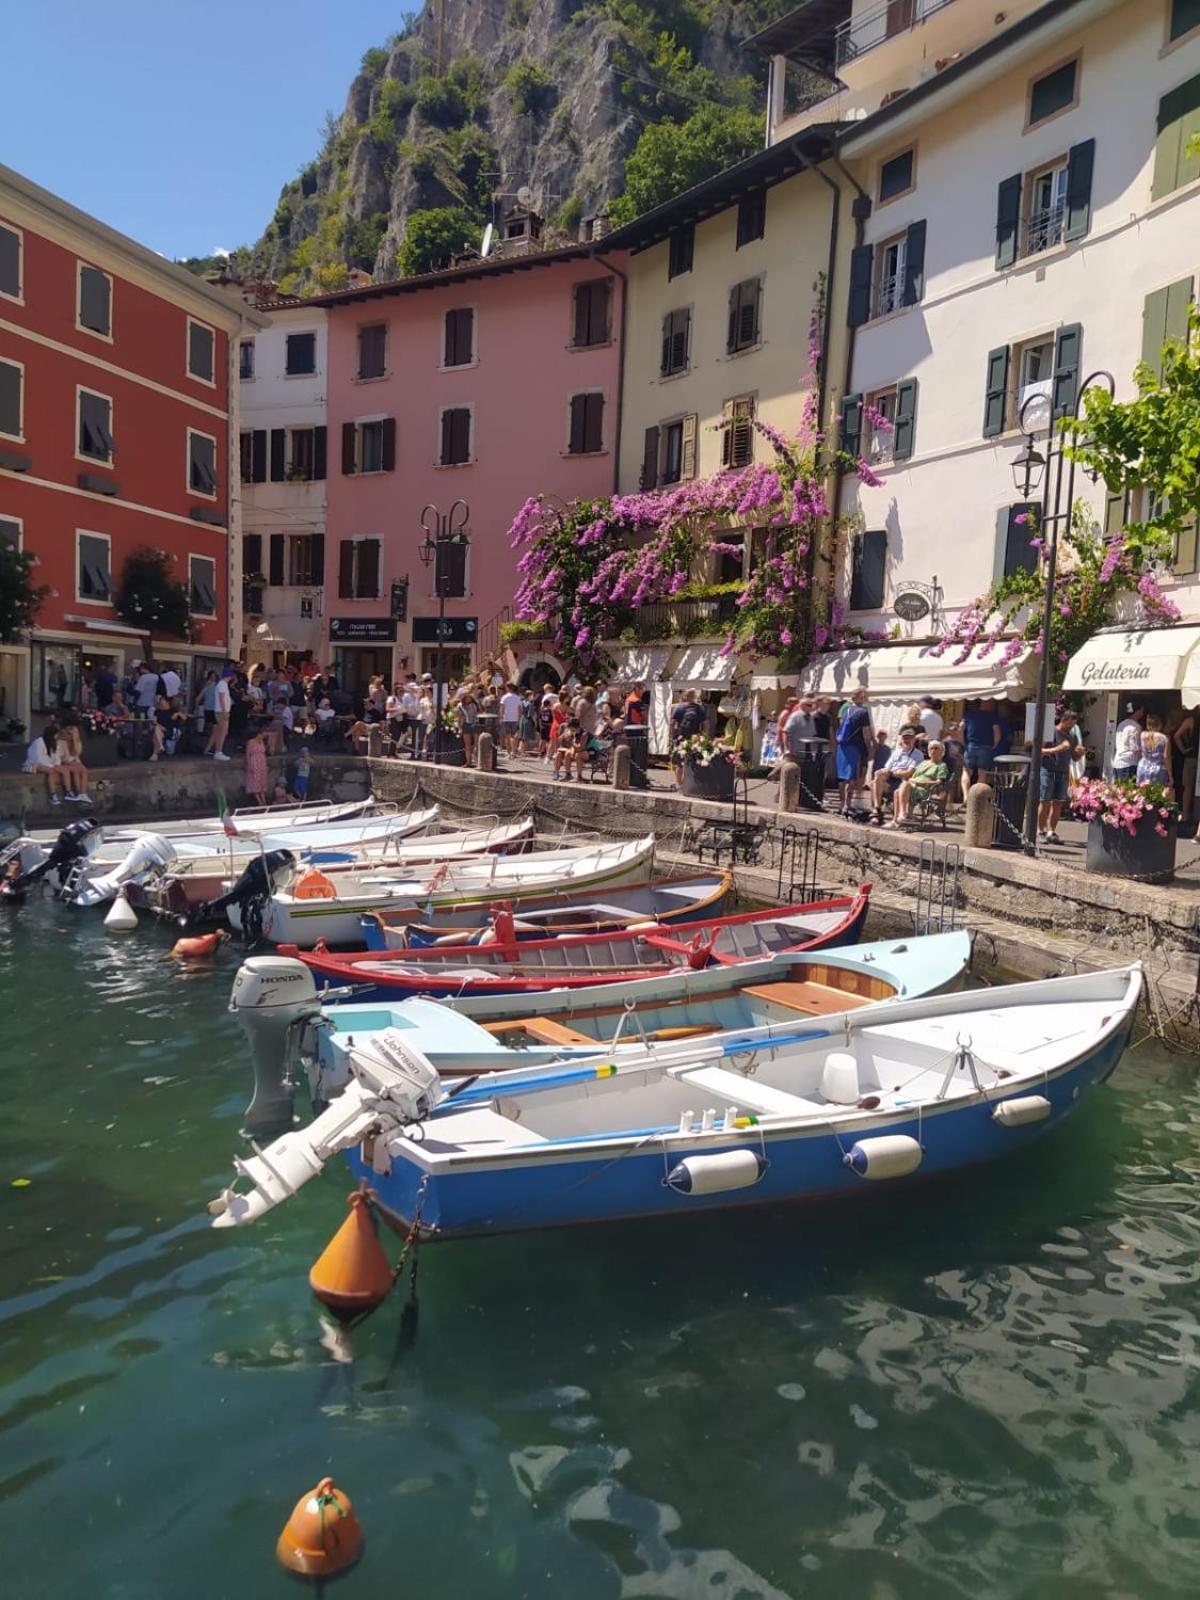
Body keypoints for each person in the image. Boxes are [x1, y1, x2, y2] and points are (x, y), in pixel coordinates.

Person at [1038, 712, 1078, 843]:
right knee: (1045, 801)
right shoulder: (1051, 732)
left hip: (1063, 772)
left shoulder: (1071, 737)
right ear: (1065, 720)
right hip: (1048, 770)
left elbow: (1074, 757)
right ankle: (1041, 831)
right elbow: (1039, 751)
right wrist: (1058, 748)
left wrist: (1080, 753)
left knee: (1058, 803)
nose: (1072, 727)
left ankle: (1052, 831)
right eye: (1071, 724)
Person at [892, 739, 950, 828]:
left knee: (905, 785)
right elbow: (913, 776)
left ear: (942, 751)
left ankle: (903, 813)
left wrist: (921, 782)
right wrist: (912, 781)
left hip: (926, 789)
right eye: (931, 748)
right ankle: (896, 820)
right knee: (897, 791)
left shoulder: (942, 765)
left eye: (936, 748)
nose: (933, 750)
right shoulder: (923, 763)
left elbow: (939, 782)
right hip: (913, 785)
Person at [835, 688, 874, 815]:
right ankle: (848, 804)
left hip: (842, 746)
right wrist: (870, 748)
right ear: (860, 697)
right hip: (855, 747)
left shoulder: (846, 710)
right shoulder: (863, 712)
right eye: (865, 696)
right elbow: (866, 733)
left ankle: (841, 805)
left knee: (842, 777)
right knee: (852, 777)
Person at [870, 727, 922, 824]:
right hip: (891, 779)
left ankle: (877, 813)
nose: (907, 740)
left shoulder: (917, 754)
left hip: (904, 781)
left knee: (876, 782)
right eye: (905, 738)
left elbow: (909, 772)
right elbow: (887, 767)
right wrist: (882, 772)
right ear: (901, 739)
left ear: (914, 740)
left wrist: (891, 773)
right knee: (875, 779)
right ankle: (877, 809)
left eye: (909, 738)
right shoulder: (897, 752)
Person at [961, 697, 1002, 800]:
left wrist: (963, 742)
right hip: (986, 747)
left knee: (967, 771)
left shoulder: (969, 715)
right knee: (982, 774)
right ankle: (976, 799)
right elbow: (997, 734)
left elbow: (961, 728)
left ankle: (966, 797)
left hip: (970, 746)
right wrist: (994, 745)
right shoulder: (992, 716)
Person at [23, 723, 64, 804]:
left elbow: (56, 757)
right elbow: (38, 758)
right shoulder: (38, 742)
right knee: (51, 771)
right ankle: (52, 795)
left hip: (47, 765)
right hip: (31, 765)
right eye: (56, 734)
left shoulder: (54, 743)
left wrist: (57, 765)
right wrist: (51, 766)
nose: (57, 736)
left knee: (60, 770)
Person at [55, 715, 92, 802]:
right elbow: (61, 758)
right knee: (79, 769)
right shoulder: (61, 742)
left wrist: (74, 740)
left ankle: (82, 793)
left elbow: (76, 753)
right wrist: (72, 762)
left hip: (74, 762)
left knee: (82, 770)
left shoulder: (76, 741)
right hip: (64, 762)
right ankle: (80, 793)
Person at [1137, 712, 1174, 801]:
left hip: (1142, 767)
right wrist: (1170, 775)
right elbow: (1166, 756)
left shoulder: (1142, 735)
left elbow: (1139, 751)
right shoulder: (1165, 738)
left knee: (1142, 795)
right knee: (1158, 796)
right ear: (1160, 724)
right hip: (1158, 769)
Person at [1173, 707, 1197, 826]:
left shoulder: (1190, 720)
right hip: (1194, 756)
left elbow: (1177, 735)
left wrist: (1183, 750)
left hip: (1191, 756)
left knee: (1188, 786)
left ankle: (1186, 815)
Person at [1112, 703, 1144, 782]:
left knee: (1120, 791)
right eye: (1142, 710)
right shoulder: (1135, 727)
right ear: (1138, 711)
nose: (1143, 713)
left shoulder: (1122, 724)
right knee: (1129, 791)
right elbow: (1135, 748)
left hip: (1118, 761)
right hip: (1129, 763)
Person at [206, 672, 232, 760]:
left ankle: (218, 750)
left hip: (221, 711)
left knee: (221, 731)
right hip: (221, 711)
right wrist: (224, 711)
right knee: (223, 731)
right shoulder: (222, 684)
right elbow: (221, 698)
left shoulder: (222, 684)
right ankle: (218, 751)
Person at [244, 726, 268, 805]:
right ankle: (259, 801)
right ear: (259, 734)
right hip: (254, 761)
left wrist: (266, 765)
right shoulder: (251, 742)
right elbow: (247, 754)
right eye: (263, 735)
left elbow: (264, 754)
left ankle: (264, 800)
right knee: (255, 781)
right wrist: (249, 765)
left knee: (262, 781)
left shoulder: (262, 742)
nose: (263, 737)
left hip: (262, 762)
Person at [499, 682, 523, 755]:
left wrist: (501, 717)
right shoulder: (518, 698)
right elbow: (519, 709)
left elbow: (502, 708)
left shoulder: (504, 697)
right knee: (514, 735)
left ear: (507, 688)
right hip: (515, 719)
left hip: (506, 719)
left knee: (507, 736)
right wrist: (519, 718)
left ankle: (509, 752)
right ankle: (513, 750)